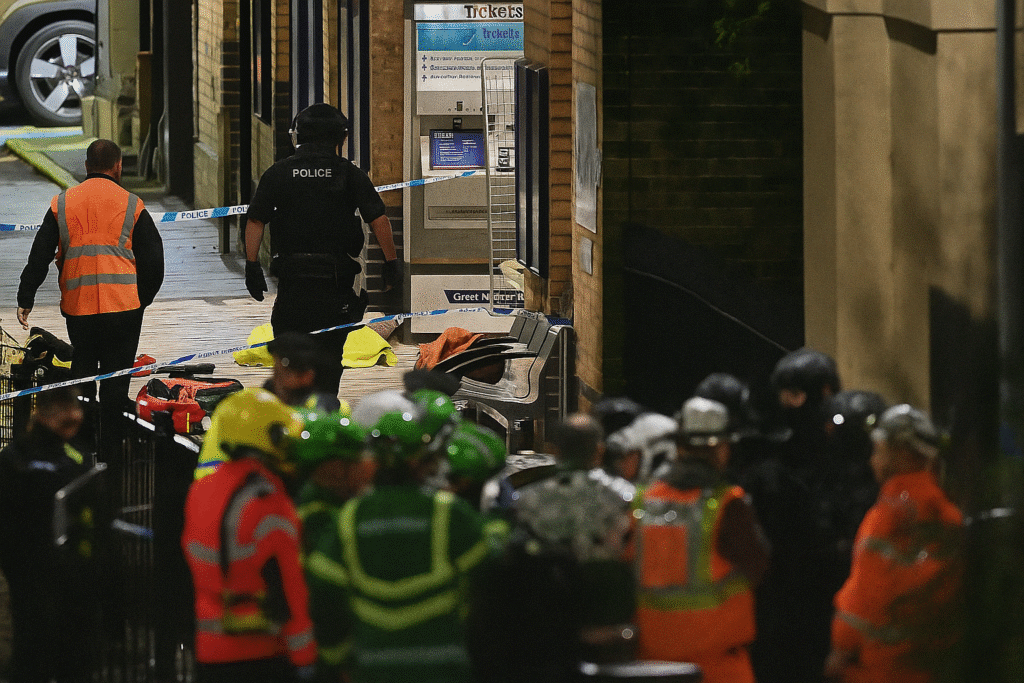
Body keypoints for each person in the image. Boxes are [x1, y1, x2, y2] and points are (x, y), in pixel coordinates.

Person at [303, 408, 489, 683]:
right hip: (444, 670)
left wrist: (334, 659)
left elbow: (324, 595)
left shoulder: (349, 518)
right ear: (424, 462)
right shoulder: (451, 515)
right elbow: (487, 588)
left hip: (372, 670)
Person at [17, 138, 165, 449]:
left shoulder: (62, 203)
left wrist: (25, 298)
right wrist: (141, 300)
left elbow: (40, 253)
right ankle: (112, 455)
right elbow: (154, 261)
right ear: (118, 166)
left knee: (82, 380)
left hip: (80, 310)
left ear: (86, 167)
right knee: (115, 384)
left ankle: (82, 450)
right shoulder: (132, 204)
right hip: (123, 311)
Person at [243, 102, 402, 369]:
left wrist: (252, 265)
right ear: (341, 137)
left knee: (290, 359)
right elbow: (379, 219)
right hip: (336, 284)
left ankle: (295, 406)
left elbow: (256, 220)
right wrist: (391, 263)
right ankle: (325, 403)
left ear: (298, 135)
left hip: (292, 281)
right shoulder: (349, 174)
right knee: (330, 361)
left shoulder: (278, 173)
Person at [181, 388, 317, 683]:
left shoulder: (202, 490)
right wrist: (306, 656)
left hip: (209, 650)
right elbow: (288, 587)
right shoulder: (267, 500)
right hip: (261, 653)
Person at [632, 397, 769, 683]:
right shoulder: (729, 506)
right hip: (717, 669)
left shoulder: (642, 501)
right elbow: (758, 566)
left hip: (650, 666)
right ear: (721, 449)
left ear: (679, 446)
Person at [825, 404, 963, 683]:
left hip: (881, 667)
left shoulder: (885, 518)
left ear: (901, 454)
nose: (872, 461)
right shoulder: (950, 517)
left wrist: (841, 648)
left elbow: (866, 594)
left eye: (878, 451)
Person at [0, 386, 112, 683]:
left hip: (45, 578)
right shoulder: (34, 460)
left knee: (38, 656)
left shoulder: (16, 458)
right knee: (55, 659)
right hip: (54, 578)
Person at [193, 331, 343, 480]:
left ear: (310, 374)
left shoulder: (324, 410)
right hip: (231, 488)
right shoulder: (243, 407)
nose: (280, 371)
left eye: (289, 365)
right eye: (281, 363)